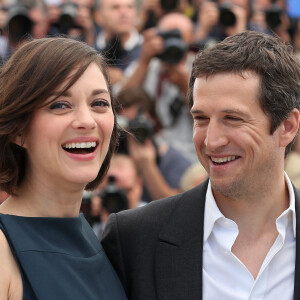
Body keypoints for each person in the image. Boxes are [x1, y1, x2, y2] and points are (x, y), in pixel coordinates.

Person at [102, 30, 300, 299]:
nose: (212, 141)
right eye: (201, 118)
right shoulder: (133, 240)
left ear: (287, 127)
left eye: (232, 118)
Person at [0, 37, 127, 299]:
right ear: (17, 130)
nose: (86, 121)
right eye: (60, 105)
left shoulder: (107, 244)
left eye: (99, 103)